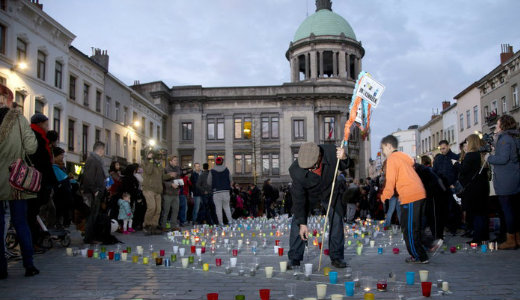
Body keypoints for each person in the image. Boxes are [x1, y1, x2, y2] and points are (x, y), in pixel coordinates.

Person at [288, 142, 350, 269]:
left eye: (312, 167)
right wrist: (303, 223)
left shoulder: (332, 152)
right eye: (306, 168)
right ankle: (294, 257)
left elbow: (345, 165)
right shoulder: (296, 170)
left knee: (337, 218)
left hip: (330, 190)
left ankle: (337, 256)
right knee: (298, 221)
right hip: (309, 194)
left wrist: (344, 157)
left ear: (320, 157)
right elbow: (298, 199)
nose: (309, 170)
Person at [0, 99, 40, 278]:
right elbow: (31, 147)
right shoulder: (19, 119)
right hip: (16, 178)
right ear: (7, 101)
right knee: (21, 222)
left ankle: (1, 269)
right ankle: (29, 265)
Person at [380, 135, 429, 264]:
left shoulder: (392, 159)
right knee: (412, 226)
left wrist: (384, 196)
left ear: (389, 146)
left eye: (383, 148)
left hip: (410, 195)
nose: (383, 152)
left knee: (409, 228)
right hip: (416, 193)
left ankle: (419, 256)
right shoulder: (403, 157)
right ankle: (420, 251)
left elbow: (390, 181)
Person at [487, 115, 520, 249]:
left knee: (508, 211)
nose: (496, 126)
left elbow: (503, 159)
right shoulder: (514, 137)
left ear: (503, 125)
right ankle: (517, 238)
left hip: (506, 179)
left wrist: (490, 158)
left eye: (498, 123)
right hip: (514, 176)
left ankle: (511, 239)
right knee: (515, 210)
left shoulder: (505, 139)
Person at [28, 113, 57, 251]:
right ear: (40, 124)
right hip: (36, 181)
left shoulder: (39, 137)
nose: (47, 127)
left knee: (32, 213)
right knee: (31, 213)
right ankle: (32, 242)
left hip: (36, 180)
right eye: (46, 124)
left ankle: (33, 240)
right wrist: (52, 182)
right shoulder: (37, 138)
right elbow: (43, 163)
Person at [459, 134, 490, 244]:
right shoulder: (481, 155)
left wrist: (456, 165)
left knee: (476, 213)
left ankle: (477, 238)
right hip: (483, 187)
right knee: (482, 213)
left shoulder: (470, 155)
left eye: (467, 142)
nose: (466, 145)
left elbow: (463, 171)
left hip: (473, 189)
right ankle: (484, 236)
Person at [433, 139, 461, 234]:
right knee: (445, 208)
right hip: (442, 188)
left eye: (444, 148)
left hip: (452, 186)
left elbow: (458, 171)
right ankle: (448, 226)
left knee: (454, 207)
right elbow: (434, 172)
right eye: (441, 149)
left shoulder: (455, 157)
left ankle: (454, 227)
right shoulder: (439, 158)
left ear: (448, 146)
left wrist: (454, 182)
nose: (442, 150)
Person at [82, 141, 107, 244]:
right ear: (100, 149)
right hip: (92, 193)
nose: (104, 152)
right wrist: (95, 190)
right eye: (103, 150)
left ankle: (92, 236)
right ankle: (89, 238)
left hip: (97, 191)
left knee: (94, 215)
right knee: (92, 216)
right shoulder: (93, 160)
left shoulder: (97, 161)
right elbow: (89, 177)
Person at [142, 150, 169, 234]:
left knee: (158, 209)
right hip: (149, 189)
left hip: (158, 190)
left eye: (161, 158)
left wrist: (170, 175)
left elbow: (162, 177)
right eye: (158, 158)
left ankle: (154, 226)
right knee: (152, 208)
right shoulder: (146, 163)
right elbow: (148, 171)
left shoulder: (159, 165)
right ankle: (147, 225)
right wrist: (150, 160)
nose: (160, 160)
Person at [207, 157, 233, 226]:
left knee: (218, 208)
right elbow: (231, 180)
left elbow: (209, 182)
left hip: (216, 192)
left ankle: (221, 222)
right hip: (226, 191)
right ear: (222, 162)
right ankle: (230, 221)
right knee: (227, 207)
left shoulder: (212, 170)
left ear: (216, 162)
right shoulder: (226, 170)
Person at [52, 147, 73, 228]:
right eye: (61, 155)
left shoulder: (62, 167)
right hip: (59, 195)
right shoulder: (54, 167)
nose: (62, 157)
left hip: (64, 195)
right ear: (55, 156)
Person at [162, 156, 180, 231]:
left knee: (175, 210)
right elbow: (163, 180)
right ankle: (163, 225)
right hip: (168, 193)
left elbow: (178, 178)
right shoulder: (166, 169)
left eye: (176, 160)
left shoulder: (178, 169)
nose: (176, 161)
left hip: (175, 193)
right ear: (170, 161)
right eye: (175, 160)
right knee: (166, 210)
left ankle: (173, 225)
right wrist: (171, 184)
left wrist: (179, 183)